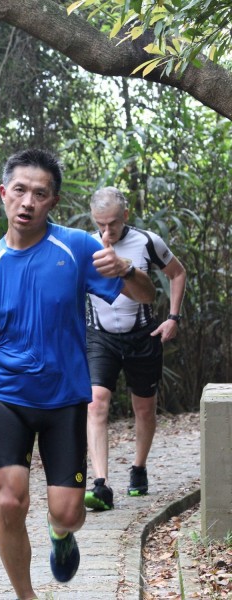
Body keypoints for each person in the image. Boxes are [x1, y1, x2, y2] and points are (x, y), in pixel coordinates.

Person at [0, 150, 156, 600]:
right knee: (9, 500)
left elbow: (146, 295)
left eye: (40, 194)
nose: (28, 202)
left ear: (52, 202)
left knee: (69, 513)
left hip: (64, 397)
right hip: (9, 394)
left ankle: (61, 533)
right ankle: (26, 596)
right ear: (3, 193)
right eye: (19, 190)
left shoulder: (76, 248)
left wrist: (127, 270)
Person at [84, 186, 187, 512]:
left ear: (125, 215)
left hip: (142, 335)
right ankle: (100, 484)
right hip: (100, 336)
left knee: (144, 408)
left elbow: (177, 273)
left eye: (113, 223)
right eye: (100, 223)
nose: (107, 231)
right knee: (95, 403)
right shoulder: (85, 245)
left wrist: (173, 318)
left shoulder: (146, 241)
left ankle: (139, 467)